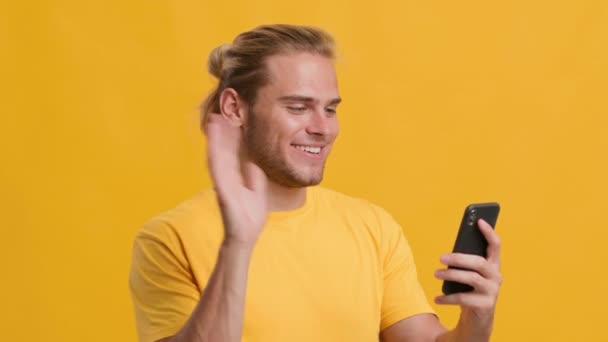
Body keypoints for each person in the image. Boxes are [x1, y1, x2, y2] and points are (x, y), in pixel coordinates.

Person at [128, 24, 502, 342]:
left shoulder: (373, 227)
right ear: (234, 108)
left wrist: (476, 320)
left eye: (330, 109)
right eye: (297, 107)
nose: (322, 129)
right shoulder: (170, 238)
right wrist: (238, 244)